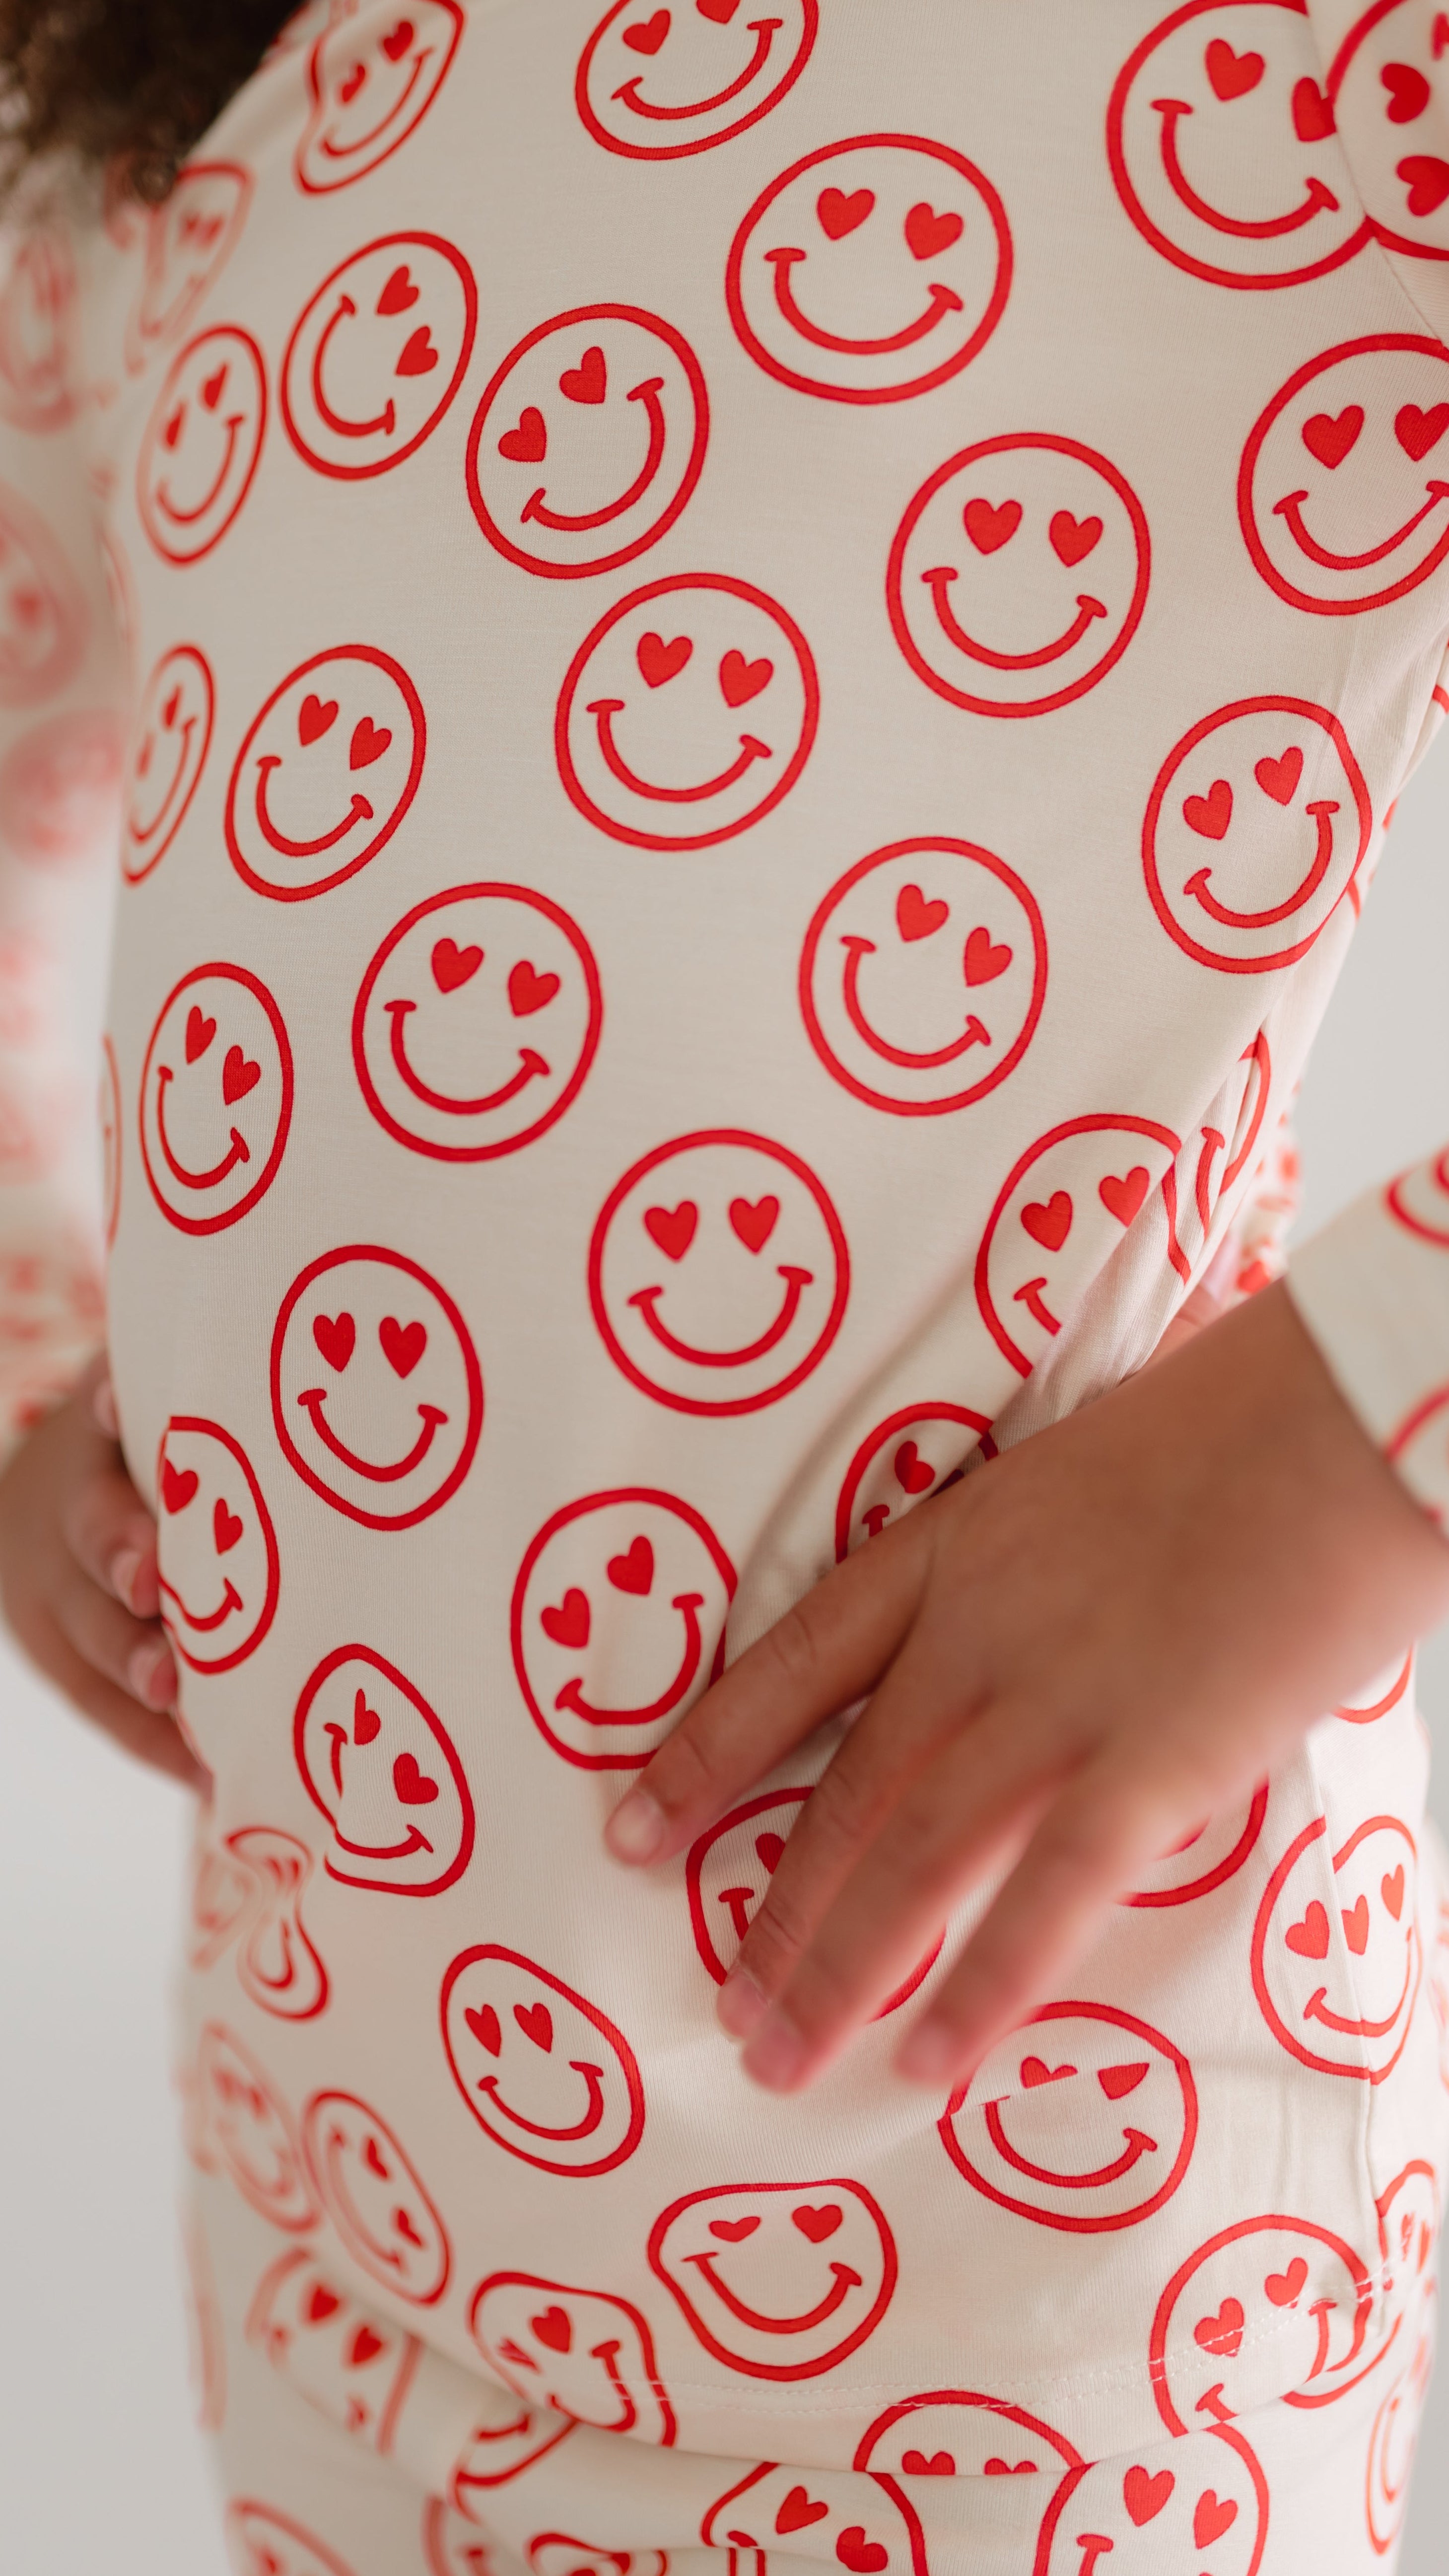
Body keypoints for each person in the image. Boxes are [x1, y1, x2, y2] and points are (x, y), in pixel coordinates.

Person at [0, 0, 1449, 2566]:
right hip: (346, 2174)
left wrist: (1349, 1431)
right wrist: (32, 1363)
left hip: (1037, 2225)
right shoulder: (214, 120)